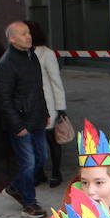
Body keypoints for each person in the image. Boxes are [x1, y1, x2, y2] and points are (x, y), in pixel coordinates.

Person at [0, 21, 48, 218]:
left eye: (29, 33)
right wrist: (17, 125)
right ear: (12, 38)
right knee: (28, 162)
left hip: (37, 118)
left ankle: (15, 187)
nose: (28, 36)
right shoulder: (7, 64)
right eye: (23, 34)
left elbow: (37, 89)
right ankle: (29, 203)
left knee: (41, 157)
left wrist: (45, 113)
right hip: (21, 122)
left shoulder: (31, 55)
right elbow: (4, 98)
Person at [27, 20, 69, 189]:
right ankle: (39, 173)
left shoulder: (47, 54)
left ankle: (56, 172)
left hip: (48, 104)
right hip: (31, 105)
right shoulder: (22, 54)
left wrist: (61, 107)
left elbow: (56, 82)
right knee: (35, 141)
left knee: (53, 140)